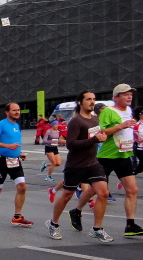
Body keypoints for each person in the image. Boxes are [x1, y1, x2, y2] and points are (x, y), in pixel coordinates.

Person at [45, 91, 112, 242]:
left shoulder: (95, 119)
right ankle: (53, 223)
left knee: (103, 193)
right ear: (80, 102)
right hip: (76, 165)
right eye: (88, 99)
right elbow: (70, 144)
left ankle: (97, 228)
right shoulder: (76, 121)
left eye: (93, 99)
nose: (92, 102)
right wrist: (94, 140)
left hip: (93, 163)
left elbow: (94, 137)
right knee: (67, 195)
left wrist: (102, 137)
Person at [97, 84, 143, 237]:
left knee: (132, 190)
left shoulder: (129, 110)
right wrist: (121, 126)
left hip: (124, 155)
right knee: (97, 191)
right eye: (125, 94)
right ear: (116, 97)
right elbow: (103, 132)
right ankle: (77, 210)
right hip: (107, 156)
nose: (129, 96)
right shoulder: (107, 111)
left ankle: (130, 225)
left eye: (130, 94)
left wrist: (135, 135)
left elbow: (127, 129)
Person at [0, 102, 33, 227]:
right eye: (14, 110)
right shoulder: (1, 124)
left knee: (22, 187)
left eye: (18, 110)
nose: (17, 112)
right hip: (1, 161)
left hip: (15, 160)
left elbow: (15, 141)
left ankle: (17, 216)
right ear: (7, 112)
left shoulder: (17, 125)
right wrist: (8, 146)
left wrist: (19, 153)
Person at [133, 108, 143, 175]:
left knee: (142, 164)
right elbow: (132, 136)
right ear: (140, 115)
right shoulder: (136, 125)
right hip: (140, 148)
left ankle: (133, 173)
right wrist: (137, 139)